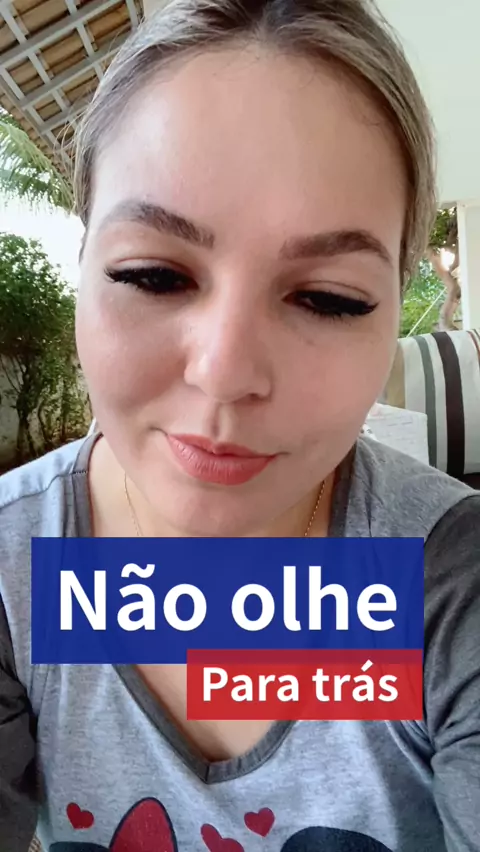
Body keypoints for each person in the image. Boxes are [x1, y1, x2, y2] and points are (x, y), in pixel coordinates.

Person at [1, 1, 479, 850]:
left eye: (328, 298)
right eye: (153, 275)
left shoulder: (449, 584)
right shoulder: (14, 573)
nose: (223, 372)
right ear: (83, 264)